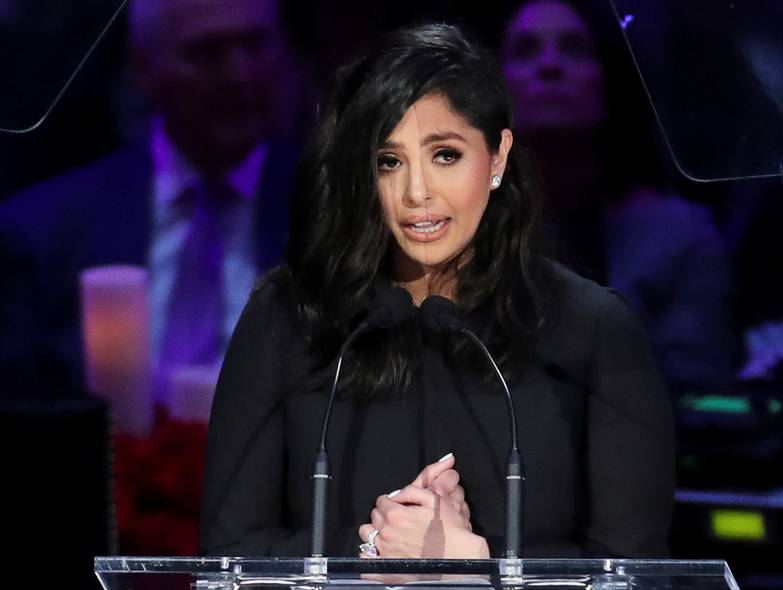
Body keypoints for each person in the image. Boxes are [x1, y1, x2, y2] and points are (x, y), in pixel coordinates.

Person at [200, 23, 673, 559]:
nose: (416, 192)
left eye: (445, 155)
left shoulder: (592, 330)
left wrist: (477, 570)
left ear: (496, 158)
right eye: (389, 161)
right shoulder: (289, 316)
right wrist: (373, 556)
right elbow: (227, 555)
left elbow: (635, 573)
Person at [0, 0, 297, 402]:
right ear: (144, 69)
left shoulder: (346, 211)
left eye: (255, 45)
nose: (240, 74)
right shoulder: (42, 232)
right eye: (207, 53)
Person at [500, 0, 734, 393]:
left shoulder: (679, 236)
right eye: (526, 50)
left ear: (609, 77)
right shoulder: (455, 231)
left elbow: (698, 400)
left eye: (574, 48)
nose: (550, 65)